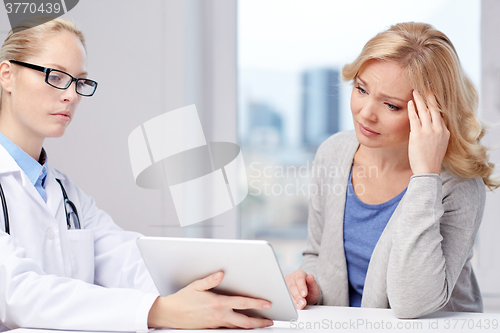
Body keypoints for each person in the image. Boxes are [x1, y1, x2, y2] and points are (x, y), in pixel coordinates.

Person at [0, 18, 273, 331]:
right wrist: (157, 311)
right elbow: (17, 292)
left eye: (80, 82)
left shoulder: (65, 193)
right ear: (7, 75)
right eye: (57, 76)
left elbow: (131, 260)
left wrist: (231, 291)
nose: (71, 95)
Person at [285, 22, 498, 319]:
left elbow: (414, 302)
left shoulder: (457, 184)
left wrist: (426, 176)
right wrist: (309, 285)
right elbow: (317, 254)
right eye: (361, 89)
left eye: (391, 106)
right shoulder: (333, 153)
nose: (366, 113)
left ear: (431, 114)